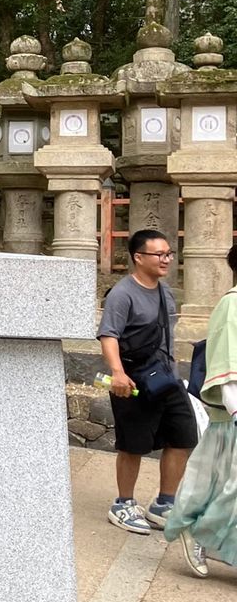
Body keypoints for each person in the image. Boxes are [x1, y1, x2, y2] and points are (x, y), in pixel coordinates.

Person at [97, 228, 196, 534]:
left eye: (169, 254)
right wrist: (117, 372)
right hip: (133, 379)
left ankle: (164, 503)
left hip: (167, 378)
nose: (166, 259)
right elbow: (109, 335)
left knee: (183, 437)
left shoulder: (166, 292)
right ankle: (123, 504)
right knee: (133, 445)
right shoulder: (122, 294)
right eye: (159, 254)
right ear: (139, 257)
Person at [164, 243, 237, 578]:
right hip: (232, 415)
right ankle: (197, 531)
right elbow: (228, 362)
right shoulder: (232, 305)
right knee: (229, 489)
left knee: (223, 487)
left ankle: (207, 537)